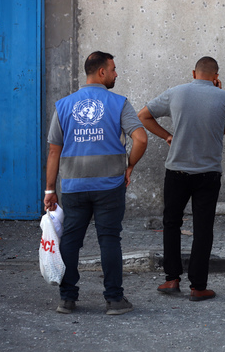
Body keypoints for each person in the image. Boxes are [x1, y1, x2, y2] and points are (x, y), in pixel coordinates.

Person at [44, 51, 147, 315]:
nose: (116, 74)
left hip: (74, 187)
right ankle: (114, 300)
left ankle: (66, 299)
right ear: (101, 72)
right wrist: (129, 165)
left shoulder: (63, 105)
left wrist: (50, 190)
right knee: (109, 239)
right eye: (113, 69)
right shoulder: (119, 103)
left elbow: (54, 151)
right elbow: (141, 139)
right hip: (109, 185)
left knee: (70, 241)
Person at [137, 56, 225, 301]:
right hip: (208, 173)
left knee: (171, 223)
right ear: (216, 76)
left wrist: (168, 136)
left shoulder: (175, 93)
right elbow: (223, 128)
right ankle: (198, 287)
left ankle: (171, 279)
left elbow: (143, 116)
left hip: (177, 171)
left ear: (193, 72)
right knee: (203, 229)